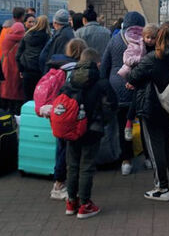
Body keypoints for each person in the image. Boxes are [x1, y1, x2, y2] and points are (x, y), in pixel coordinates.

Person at [128, 22, 169, 201]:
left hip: (152, 107)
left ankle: (162, 188)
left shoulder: (152, 58)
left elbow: (133, 77)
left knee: (155, 147)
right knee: (168, 144)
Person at [63, 48, 114, 219]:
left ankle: (71, 201)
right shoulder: (101, 83)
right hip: (92, 130)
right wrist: (103, 121)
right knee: (86, 166)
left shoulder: (70, 80)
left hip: (72, 130)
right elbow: (112, 104)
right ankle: (85, 204)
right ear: (97, 64)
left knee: (72, 166)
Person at [100, 11, 144, 176]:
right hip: (140, 89)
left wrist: (104, 87)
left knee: (123, 125)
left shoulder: (115, 40)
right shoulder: (145, 40)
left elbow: (105, 66)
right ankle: (148, 158)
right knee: (144, 124)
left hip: (118, 88)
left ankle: (126, 161)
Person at [46, 38, 88, 201]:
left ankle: (60, 181)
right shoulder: (74, 69)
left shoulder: (58, 66)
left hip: (56, 111)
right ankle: (59, 184)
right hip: (69, 114)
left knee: (61, 147)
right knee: (67, 151)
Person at [16, 15, 50, 101]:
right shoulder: (47, 38)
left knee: (27, 96)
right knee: (39, 97)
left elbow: (18, 54)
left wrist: (21, 69)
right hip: (40, 71)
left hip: (27, 70)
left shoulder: (27, 35)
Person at [0, 22, 25, 115]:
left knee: (7, 90)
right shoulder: (24, 40)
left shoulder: (6, 39)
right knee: (17, 90)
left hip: (6, 67)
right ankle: (15, 113)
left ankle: (6, 112)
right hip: (17, 67)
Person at [39, 9, 75, 74]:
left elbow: (56, 58)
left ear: (55, 23)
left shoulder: (61, 36)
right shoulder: (69, 33)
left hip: (56, 72)